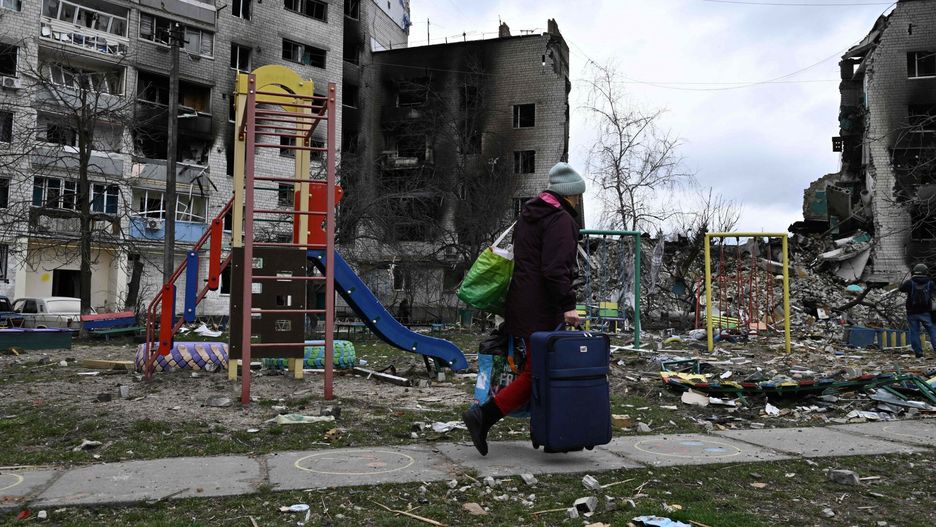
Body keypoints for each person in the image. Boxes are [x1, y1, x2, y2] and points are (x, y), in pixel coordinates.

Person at [462, 161, 584, 456]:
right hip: (541, 307)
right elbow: (555, 269)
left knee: (542, 371)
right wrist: (568, 305)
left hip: (522, 303)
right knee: (537, 372)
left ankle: (548, 433)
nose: (579, 201)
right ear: (570, 194)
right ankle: (483, 416)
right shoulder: (560, 221)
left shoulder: (530, 215)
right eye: (578, 195)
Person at [899, 263, 936, 358]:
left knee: (914, 332)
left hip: (912, 313)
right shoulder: (930, 283)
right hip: (926, 312)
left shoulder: (909, 282)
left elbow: (901, 289)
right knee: (932, 331)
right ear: (926, 272)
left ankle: (918, 353)